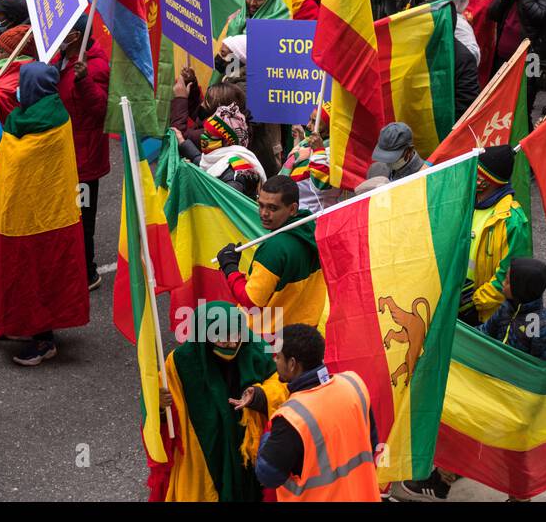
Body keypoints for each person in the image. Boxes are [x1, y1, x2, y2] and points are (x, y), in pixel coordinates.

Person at [0, 63, 87, 366]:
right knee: (23, 272)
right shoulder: (28, 114)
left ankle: (44, 339)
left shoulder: (52, 121)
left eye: (22, 83)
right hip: (22, 213)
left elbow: (22, 157)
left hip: (46, 219)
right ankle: (24, 325)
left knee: (40, 272)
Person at [150, 301, 288, 502]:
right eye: (223, 339)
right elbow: (165, 419)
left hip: (247, 452)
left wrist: (259, 396)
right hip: (203, 455)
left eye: (235, 336)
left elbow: (282, 384)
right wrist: (160, 407)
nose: (232, 344)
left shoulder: (256, 347)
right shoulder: (180, 363)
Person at [251, 324, 380, 501]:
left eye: (278, 357)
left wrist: (266, 439)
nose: (275, 361)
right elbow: (371, 445)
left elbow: (268, 475)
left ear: (292, 364)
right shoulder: (353, 383)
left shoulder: (291, 418)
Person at [217, 175, 326, 329]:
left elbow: (252, 303)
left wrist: (230, 268)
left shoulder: (275, 249)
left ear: (293, 209)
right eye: (261, 205)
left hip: (267, 339)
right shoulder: (313, 231)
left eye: (272, 208)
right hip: (303, 332)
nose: (264, 213)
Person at [54, 20, 110, 289]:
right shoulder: (64, 56)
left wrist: (84, 80)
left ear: (76, 35)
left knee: (82, 217)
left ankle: (88, 272)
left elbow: (101, 110)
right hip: (68, 151)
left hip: (84, 158)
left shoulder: (94, 66)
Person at [459, 145, 531, 325]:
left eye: (476, 173)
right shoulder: (466, 203)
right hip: (456, 301)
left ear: (488, 181)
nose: (470, 176)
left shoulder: (512, 221)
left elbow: (510, 275)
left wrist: (475, 303)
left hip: (485, 314)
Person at [479, 257, 546, 360]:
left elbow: (541, 370)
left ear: (521, 288)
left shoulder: (543, 328)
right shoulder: (506, 307)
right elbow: (483, 333)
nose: (503, 283)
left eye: (508, 282)